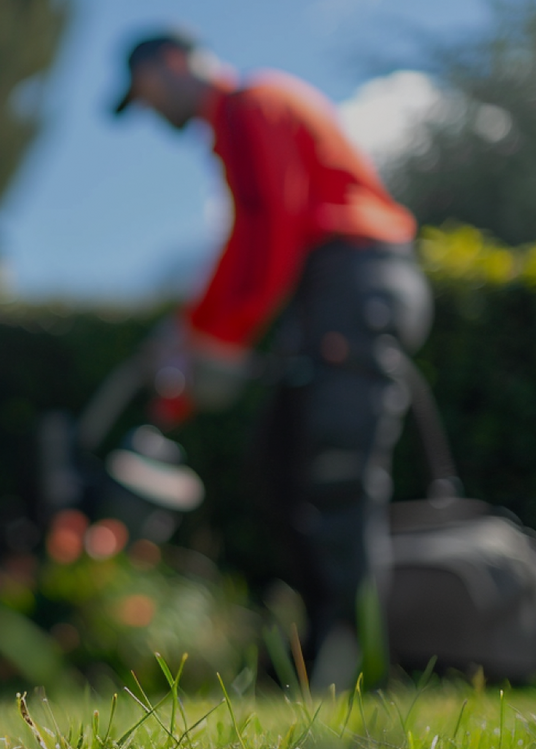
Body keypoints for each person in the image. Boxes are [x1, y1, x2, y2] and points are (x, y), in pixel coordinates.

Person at [111, 31, 433, 685]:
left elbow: (270, 237)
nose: (149, 109)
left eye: (144, 93)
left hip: (353, 285)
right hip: (326, 297)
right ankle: (317, 650)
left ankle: (359, 663)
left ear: (170, 62)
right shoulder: (235, 124)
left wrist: (209, 345)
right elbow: (247, 243)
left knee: (337, 479)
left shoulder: (255, 105)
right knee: (279, 465)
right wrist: (190, 328)